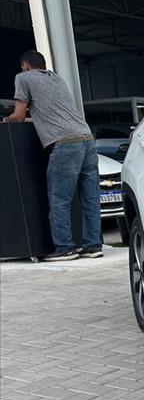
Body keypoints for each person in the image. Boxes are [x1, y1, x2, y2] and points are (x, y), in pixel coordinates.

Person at [5, 50, 102, 261]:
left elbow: (19, 116)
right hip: (86, 138)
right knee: (90, 198)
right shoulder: (56, 78)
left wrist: (7, 119)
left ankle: (64, 247)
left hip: (65, 143)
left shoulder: (23, 78)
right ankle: (93, 245)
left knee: (59, 199)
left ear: (26, 66)